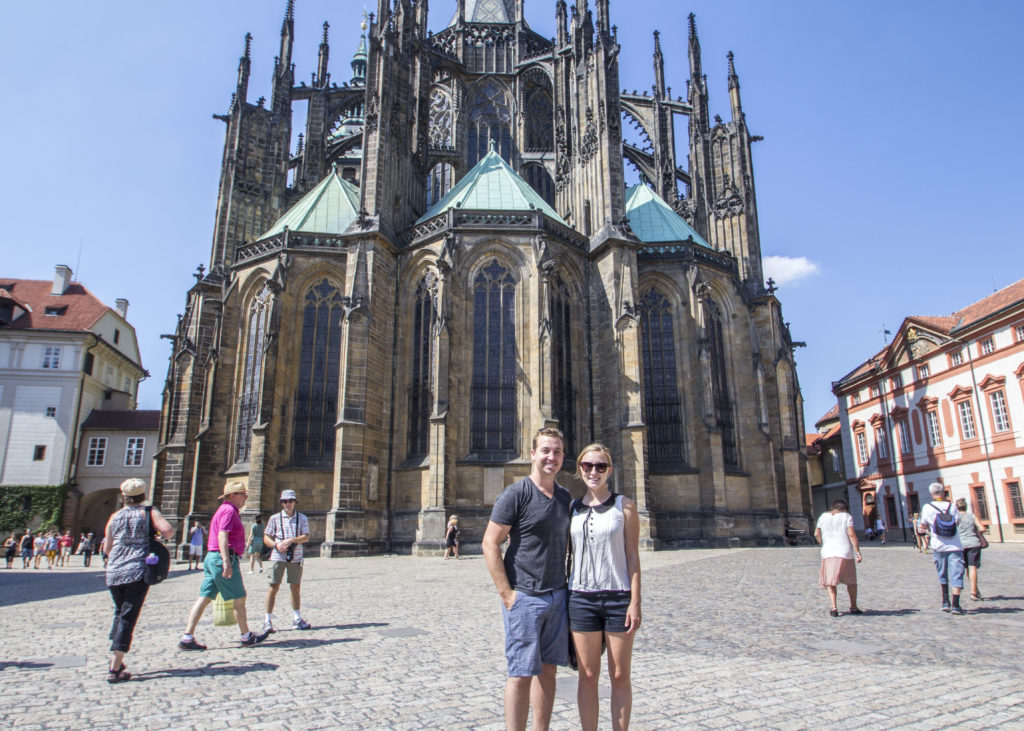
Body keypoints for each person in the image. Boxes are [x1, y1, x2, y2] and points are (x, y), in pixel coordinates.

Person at [482, 427, 571, 731]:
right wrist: (506, 594)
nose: (552, 456)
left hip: (557, 595)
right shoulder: (516, 494)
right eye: (546, 450)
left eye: (557, 451)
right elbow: (490, 542)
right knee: (520, 673)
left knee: (548, 672)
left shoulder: (564, 496)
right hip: (525, 596)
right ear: (533, 454)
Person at [568, 443, 642, 731]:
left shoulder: (625, 506)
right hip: (581, 599)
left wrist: (635, 602)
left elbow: (633, 556)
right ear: (580, 469)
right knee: (587, 674)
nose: (594, 471)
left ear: (609, 470)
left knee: (620, 675)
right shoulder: (572, 507)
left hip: (617, 598)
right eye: (588, 466)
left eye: (600, 466)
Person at [178, 481, 271, 650]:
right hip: (222, 558)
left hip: (212, 558)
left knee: (204, 597)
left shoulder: (224, 510)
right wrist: (226, 561)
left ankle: (187, 637)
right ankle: (246, 636)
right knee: (239, 597)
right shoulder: (229, 511)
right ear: (232, 495)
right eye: (243, 494)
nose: (246, 498)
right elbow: (223, 536)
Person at [102, 478, 174, 683]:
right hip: (136, 570)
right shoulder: (148, 512)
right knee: (127, 616)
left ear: (124, 497)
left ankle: (116, 657)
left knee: (119, 612)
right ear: (143, 495)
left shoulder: (115, 516)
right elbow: (168, 530)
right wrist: (157, 536)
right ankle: (115, 667)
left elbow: (107, 549)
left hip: (114, 572)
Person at [262, 490, 311, 632]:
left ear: (295, 502)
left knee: (295, 587)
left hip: (295, 556)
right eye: (284, 501)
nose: (287, 504)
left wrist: (292, 540)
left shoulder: (302, 518)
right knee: (273, 587)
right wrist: (276, 545)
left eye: (290, 501)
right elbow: (266, 537)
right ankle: (267, 620)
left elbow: (306, 536)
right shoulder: (274, 518)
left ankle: (297, 618)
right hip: (278, 556)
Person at [919, 482, 965, 615]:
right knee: (957, 573)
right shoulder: (952, 506)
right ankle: (956, 605)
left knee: (942, 572)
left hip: (938, 545)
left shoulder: (927, 507)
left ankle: (945, 602)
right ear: (943, 492)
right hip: (955, 545)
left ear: (931, 493)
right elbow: (957, 522)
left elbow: (924, 526)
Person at [814, 499, 863, 617]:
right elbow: (851, 534)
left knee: (831, 582)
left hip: (828, 553)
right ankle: (853, 606)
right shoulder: (846, 516)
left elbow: (816, 534)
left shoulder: (823, 517)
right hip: (844, 552)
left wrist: (823, 544)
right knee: (851, 581)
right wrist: (857, 552)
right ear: (844, 509)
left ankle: (834, 608)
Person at [955, 498, 986, 601]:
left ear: (957, 507)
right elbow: (982, 528)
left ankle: (974, 590)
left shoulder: (956, 517)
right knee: (972, 567)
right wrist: (975, 531)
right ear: (966, 506)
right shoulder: (972, 516)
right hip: (973, 543)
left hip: (961, 545)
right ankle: (974, 591)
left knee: (966, 568)